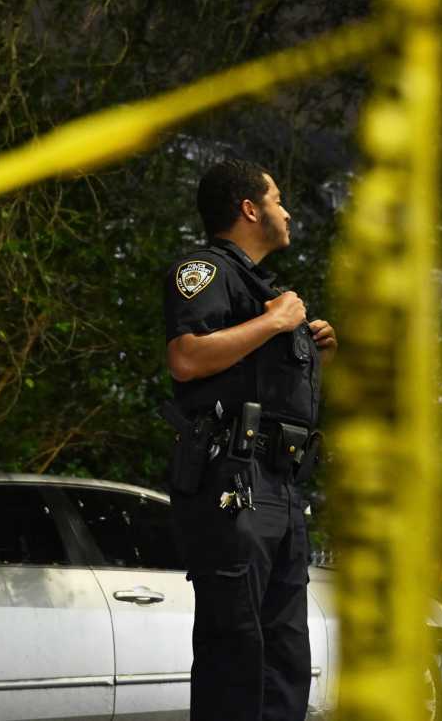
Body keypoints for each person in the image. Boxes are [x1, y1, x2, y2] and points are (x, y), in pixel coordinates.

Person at [161, 159, 337, 721]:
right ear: (249, 209)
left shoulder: (265, 291)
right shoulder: (205, 270)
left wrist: (311, 352)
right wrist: (275, 324)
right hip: (232, 483)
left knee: (284, 654)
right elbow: (186, 357)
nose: (286, 212)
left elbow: (257, 385)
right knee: (234, 652)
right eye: (278, 200)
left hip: (281, 486)